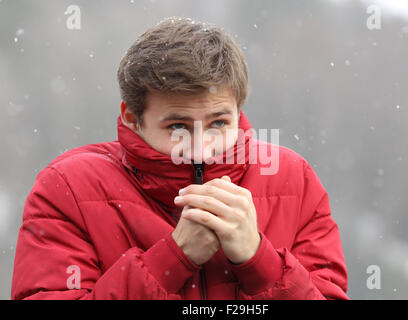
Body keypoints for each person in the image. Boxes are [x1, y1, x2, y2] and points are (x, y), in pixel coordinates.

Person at [11, 17, 348, 300]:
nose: (201, 148)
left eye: (218, 122)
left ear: (238, 110)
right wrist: (172, 258)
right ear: (132, 117)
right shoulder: (67, 188)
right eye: (176, 126)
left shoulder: (295, 180)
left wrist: (260, 261)